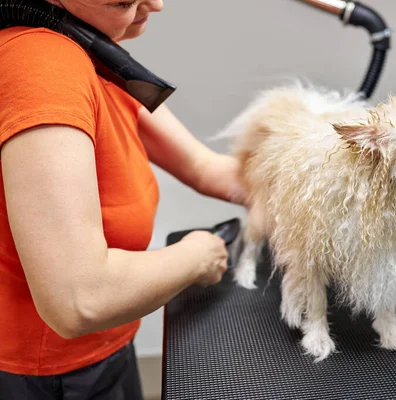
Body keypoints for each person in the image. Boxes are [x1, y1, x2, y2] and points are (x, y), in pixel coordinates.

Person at [0, 0, 246, 398]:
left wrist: (321, 180)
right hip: (46, 375)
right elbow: (80, 299)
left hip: (105, 346)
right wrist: (198, 255)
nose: (157, 5)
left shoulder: (95, 57)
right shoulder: (42, 65)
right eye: (124, 1)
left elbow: (206, 168)